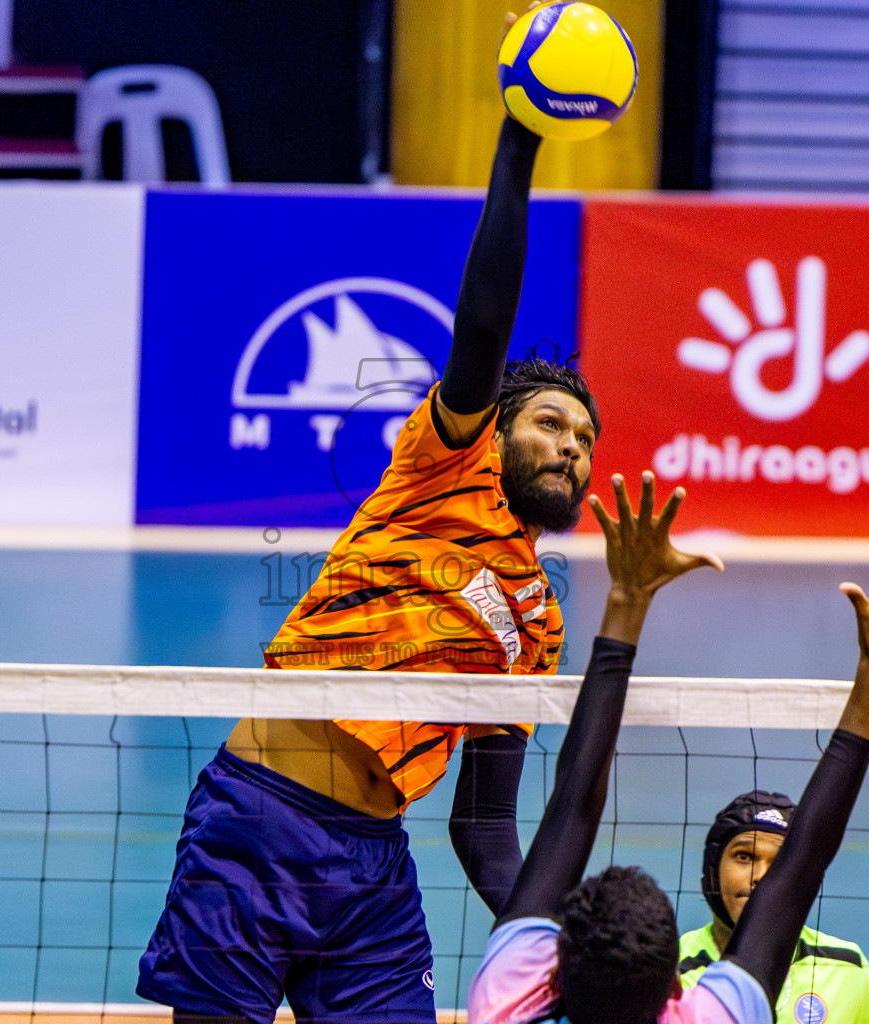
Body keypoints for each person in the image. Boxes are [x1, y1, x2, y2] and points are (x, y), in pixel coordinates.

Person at [136, 52, 674, 1023]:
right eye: (550, 422)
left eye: (585, 439)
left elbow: (482, 826)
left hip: (375, 869)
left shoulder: (537, 623)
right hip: (262, 814)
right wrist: (521, 136)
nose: (571, 446)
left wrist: (559, 954)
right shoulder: (442, 466)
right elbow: (485, 315)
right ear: (498, 428)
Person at [467, 557, 869, 1024]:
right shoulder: (711, 1018)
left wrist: (626, 597)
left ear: (551, 969)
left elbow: (573, 804)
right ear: (676, 988)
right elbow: (801, 864)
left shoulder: (505, 1000)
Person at [679, 790, 869, 1024]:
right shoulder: (671, 973)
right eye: (744, 856)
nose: (760, 877)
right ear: (712, 869)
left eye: (779, 862)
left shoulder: (847, 968)